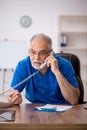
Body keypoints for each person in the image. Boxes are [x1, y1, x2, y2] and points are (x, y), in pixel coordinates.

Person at [7, 33, 80, 105]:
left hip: (62, 109)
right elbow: (11, 94)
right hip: (35, 109)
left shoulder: (65, 65)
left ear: (51, 53)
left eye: (42, 53)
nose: (36, 57)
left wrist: (57, 72)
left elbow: (73, 100)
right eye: (33, 52)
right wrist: (13, 99)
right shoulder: (23, 65)